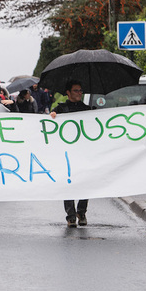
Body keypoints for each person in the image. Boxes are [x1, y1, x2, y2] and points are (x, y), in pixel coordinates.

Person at [50, 80, 95, 227]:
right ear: (68, 93)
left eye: (81, 90)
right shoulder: (61, 109)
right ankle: (70, 215)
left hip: (83, 151)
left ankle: (81, 211)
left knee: (86, 181)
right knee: (68, 182)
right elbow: (51, 122)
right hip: (67, 153)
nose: (79, 93)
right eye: (76, 90)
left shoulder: (87, 109)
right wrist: (52, 116)